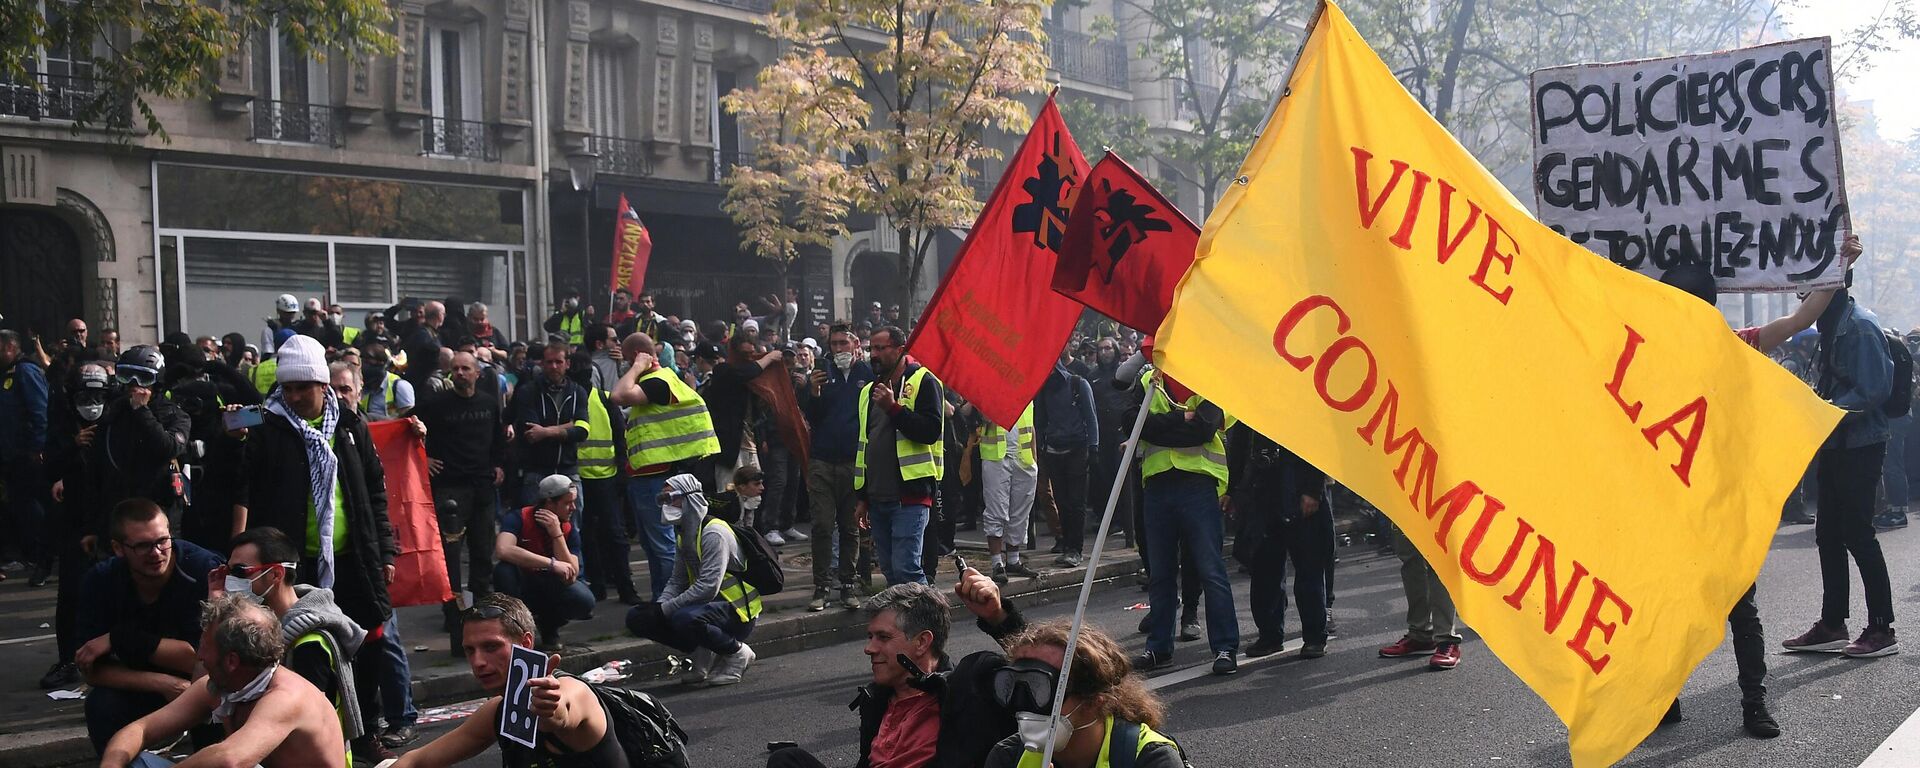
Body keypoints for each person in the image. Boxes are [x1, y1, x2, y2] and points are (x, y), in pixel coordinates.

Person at [235, 335, 409, 759]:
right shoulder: (263, 428)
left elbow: (374, 493)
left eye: (302, 387)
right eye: (286, 387)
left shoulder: (350, 426)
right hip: (296, 567)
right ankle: (311, 735)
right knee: (301, 653)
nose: (293, 396)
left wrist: (384, 551)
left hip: (352, 561)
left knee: (364, 646)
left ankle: (365, 729)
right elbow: (240, 488)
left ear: (323, 385)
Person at [1783, 262, 1899, 659]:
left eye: (1811, 289)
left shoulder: (1861, 327)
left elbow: (1873, 391)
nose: (1805, 297)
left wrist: (1825, 410)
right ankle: (1833, 623)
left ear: (1832, 288)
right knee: (1828, 535)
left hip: (1860, 445)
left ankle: (1882, 628)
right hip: (1836, 444)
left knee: (1858, 535)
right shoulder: (1831, 324)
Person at [99, 595, 346, 768]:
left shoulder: (286, 698)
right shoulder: (220, 685)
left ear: (231, 661)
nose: (200, 656)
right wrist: (111, 764)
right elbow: (140, 729)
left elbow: (230, 759)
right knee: (133, 761)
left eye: (205, 648)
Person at [390, 594, 628, 768]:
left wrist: (550, 710)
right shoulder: (497, 711)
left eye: (491, 646)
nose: (478, 661)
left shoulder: (572, 690)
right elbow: (416, 760)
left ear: (525, 643)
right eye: (470, 650)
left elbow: (563, 713)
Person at [1116, 348, 1239, 676]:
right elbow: (1130, 421)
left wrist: (1158, 426)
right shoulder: (1148, 380)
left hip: (1197, 486)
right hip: (1157, 488)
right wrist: (1177, 420)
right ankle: (1158, 648)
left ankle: (1225, 647)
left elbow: (1203, 428)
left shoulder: (1205, 378)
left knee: (1210, 570)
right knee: (1160, 573)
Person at [77, 499, 226, 753]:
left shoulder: (202, 569)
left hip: (204, 681)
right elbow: (90, 668)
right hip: (142, 681)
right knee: (101, 705)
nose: (156, 553)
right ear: (118, 548)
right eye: (143, 546)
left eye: (162, 541)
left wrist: (120, 639)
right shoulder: (101, 581)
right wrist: (162, 683)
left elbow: (200, 659)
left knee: (218, 698)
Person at [214, 527, 369, 754]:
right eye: (227, 571)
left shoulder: (308, 644)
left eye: (240, 572)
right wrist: (217, 608)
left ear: (276, 575)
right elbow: (207, 681)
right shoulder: (262, 629)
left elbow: (298, 725)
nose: (230, 580)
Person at [981, 622, 1191, 768]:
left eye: (1040, 689)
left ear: (1094, 701)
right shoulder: (1007, 757)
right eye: (1012, 686)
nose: (1023, 703)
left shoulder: (1150, 758)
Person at [610, 332, 719, 598]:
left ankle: (669, 601)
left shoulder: (657, 382)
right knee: (654, 544)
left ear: (638, 356)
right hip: (651, 474)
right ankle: (662, 601)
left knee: (663, 546)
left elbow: (618, 395)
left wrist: (637, 366)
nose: (625, 366)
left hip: (655, 477)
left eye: (627, 360)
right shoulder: (660, 380)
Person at [626, 473, 762, 685]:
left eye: (672, 498)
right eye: (664, 499)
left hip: (737, 611)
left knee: (683, 617)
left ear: (690, 498)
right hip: (707, 608)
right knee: (638, 617)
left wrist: (667, 609)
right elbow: (677, 580)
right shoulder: (685, 534)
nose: (667, 504)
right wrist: (659, 608)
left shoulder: (713, 533)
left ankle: (738, 653)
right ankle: (702, 649)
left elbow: (708, 587)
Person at [415, 350, 511, 642]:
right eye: (455, 369)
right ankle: (455, 619)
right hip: (449, 490)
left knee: (483, 554)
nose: (459, 373)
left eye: (465, 368)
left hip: (482, 488)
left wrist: (499, 466)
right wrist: (424, 459)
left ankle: (482, 614)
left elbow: (497, 439)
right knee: (451, 560)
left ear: (477, 373)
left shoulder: (488, 403)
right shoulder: (436, 405)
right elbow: (408, 428)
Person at [1228, 424, 1331, 659]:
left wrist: (1313, 489)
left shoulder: (1299, 393)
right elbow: (1240, 444)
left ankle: (1315, 636)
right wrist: (1233, 490)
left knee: (1309, 567)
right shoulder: (1250, 396)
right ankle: (1270, 635)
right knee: (1264, 569)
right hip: (1263, 491)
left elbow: (1317, 438)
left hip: (1298, 485)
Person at [855, 326, 946, 586]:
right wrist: (862, 497)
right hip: (878, 496)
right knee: (890, 572)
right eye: (871, 348)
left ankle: (928, 620)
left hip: (911, 495)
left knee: (907, 569)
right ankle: (902, 625)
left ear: (900, 349)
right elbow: (864, 444)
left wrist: (893, 409)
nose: (873, 354)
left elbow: (929, 431)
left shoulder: (924, 382)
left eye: (880, 348)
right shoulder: (868, 392)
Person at [495, 475, 596, 650]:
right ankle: (518, 632)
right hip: (523, 583)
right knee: (503, 572)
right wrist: (551, 563)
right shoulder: (519, 518)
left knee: (584, 600)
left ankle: (549, 626)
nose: (573, 507)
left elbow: (570, 576)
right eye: (567, 503)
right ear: (549, 503)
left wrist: (556, 534)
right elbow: (503, 549)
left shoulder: (567, 528)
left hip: (550, 585)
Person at [508, 344, 590, 505]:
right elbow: (531, 433)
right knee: (535, 525)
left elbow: (582, 431)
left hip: (569, 471)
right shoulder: (528, 391)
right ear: (542, 364)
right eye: (549, 362)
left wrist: (545, 432)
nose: (554, 366)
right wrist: (568, 425)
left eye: (558, 362)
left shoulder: (577, 392)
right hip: (537, 472)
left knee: (572, 526)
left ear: (567, 364)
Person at [701, 333, 785, 493]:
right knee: (730, 492)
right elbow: (744, 372)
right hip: (730, 446)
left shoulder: (753, 380)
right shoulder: (723, 371)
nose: (747, 358)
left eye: (750, 354)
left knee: (753, 494)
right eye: (743, 354)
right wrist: (768, 358)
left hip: (751, 443)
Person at [1036, 355, 1098, 567]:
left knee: (1075, 502)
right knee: (1062, 501)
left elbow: (1091, 418)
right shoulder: (1044, 390)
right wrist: (1042, 446)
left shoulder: (1078, 384)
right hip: (1053, 451)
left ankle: (1075, 548)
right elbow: (1041, 420)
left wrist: (1094, 448)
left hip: (1077, 449)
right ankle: (1066, 544)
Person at [1, 329, 50, 580]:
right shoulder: (7, 374)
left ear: (10, 347)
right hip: (11, 455)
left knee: (30, 505)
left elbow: (40, 411)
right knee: (18, 505)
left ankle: (38, 554)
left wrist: (38, 448)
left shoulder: (25, 371)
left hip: (26, 455)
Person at [979, 403, 1039, 584]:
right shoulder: (988, 391)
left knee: (1020, 511)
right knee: (996, 509)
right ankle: (997, 562)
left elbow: (1031, 426)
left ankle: (1013, 560)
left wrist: (1034, 458)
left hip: (1024, 458)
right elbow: (981, 419)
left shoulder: (1025, 391)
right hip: (996, 457)